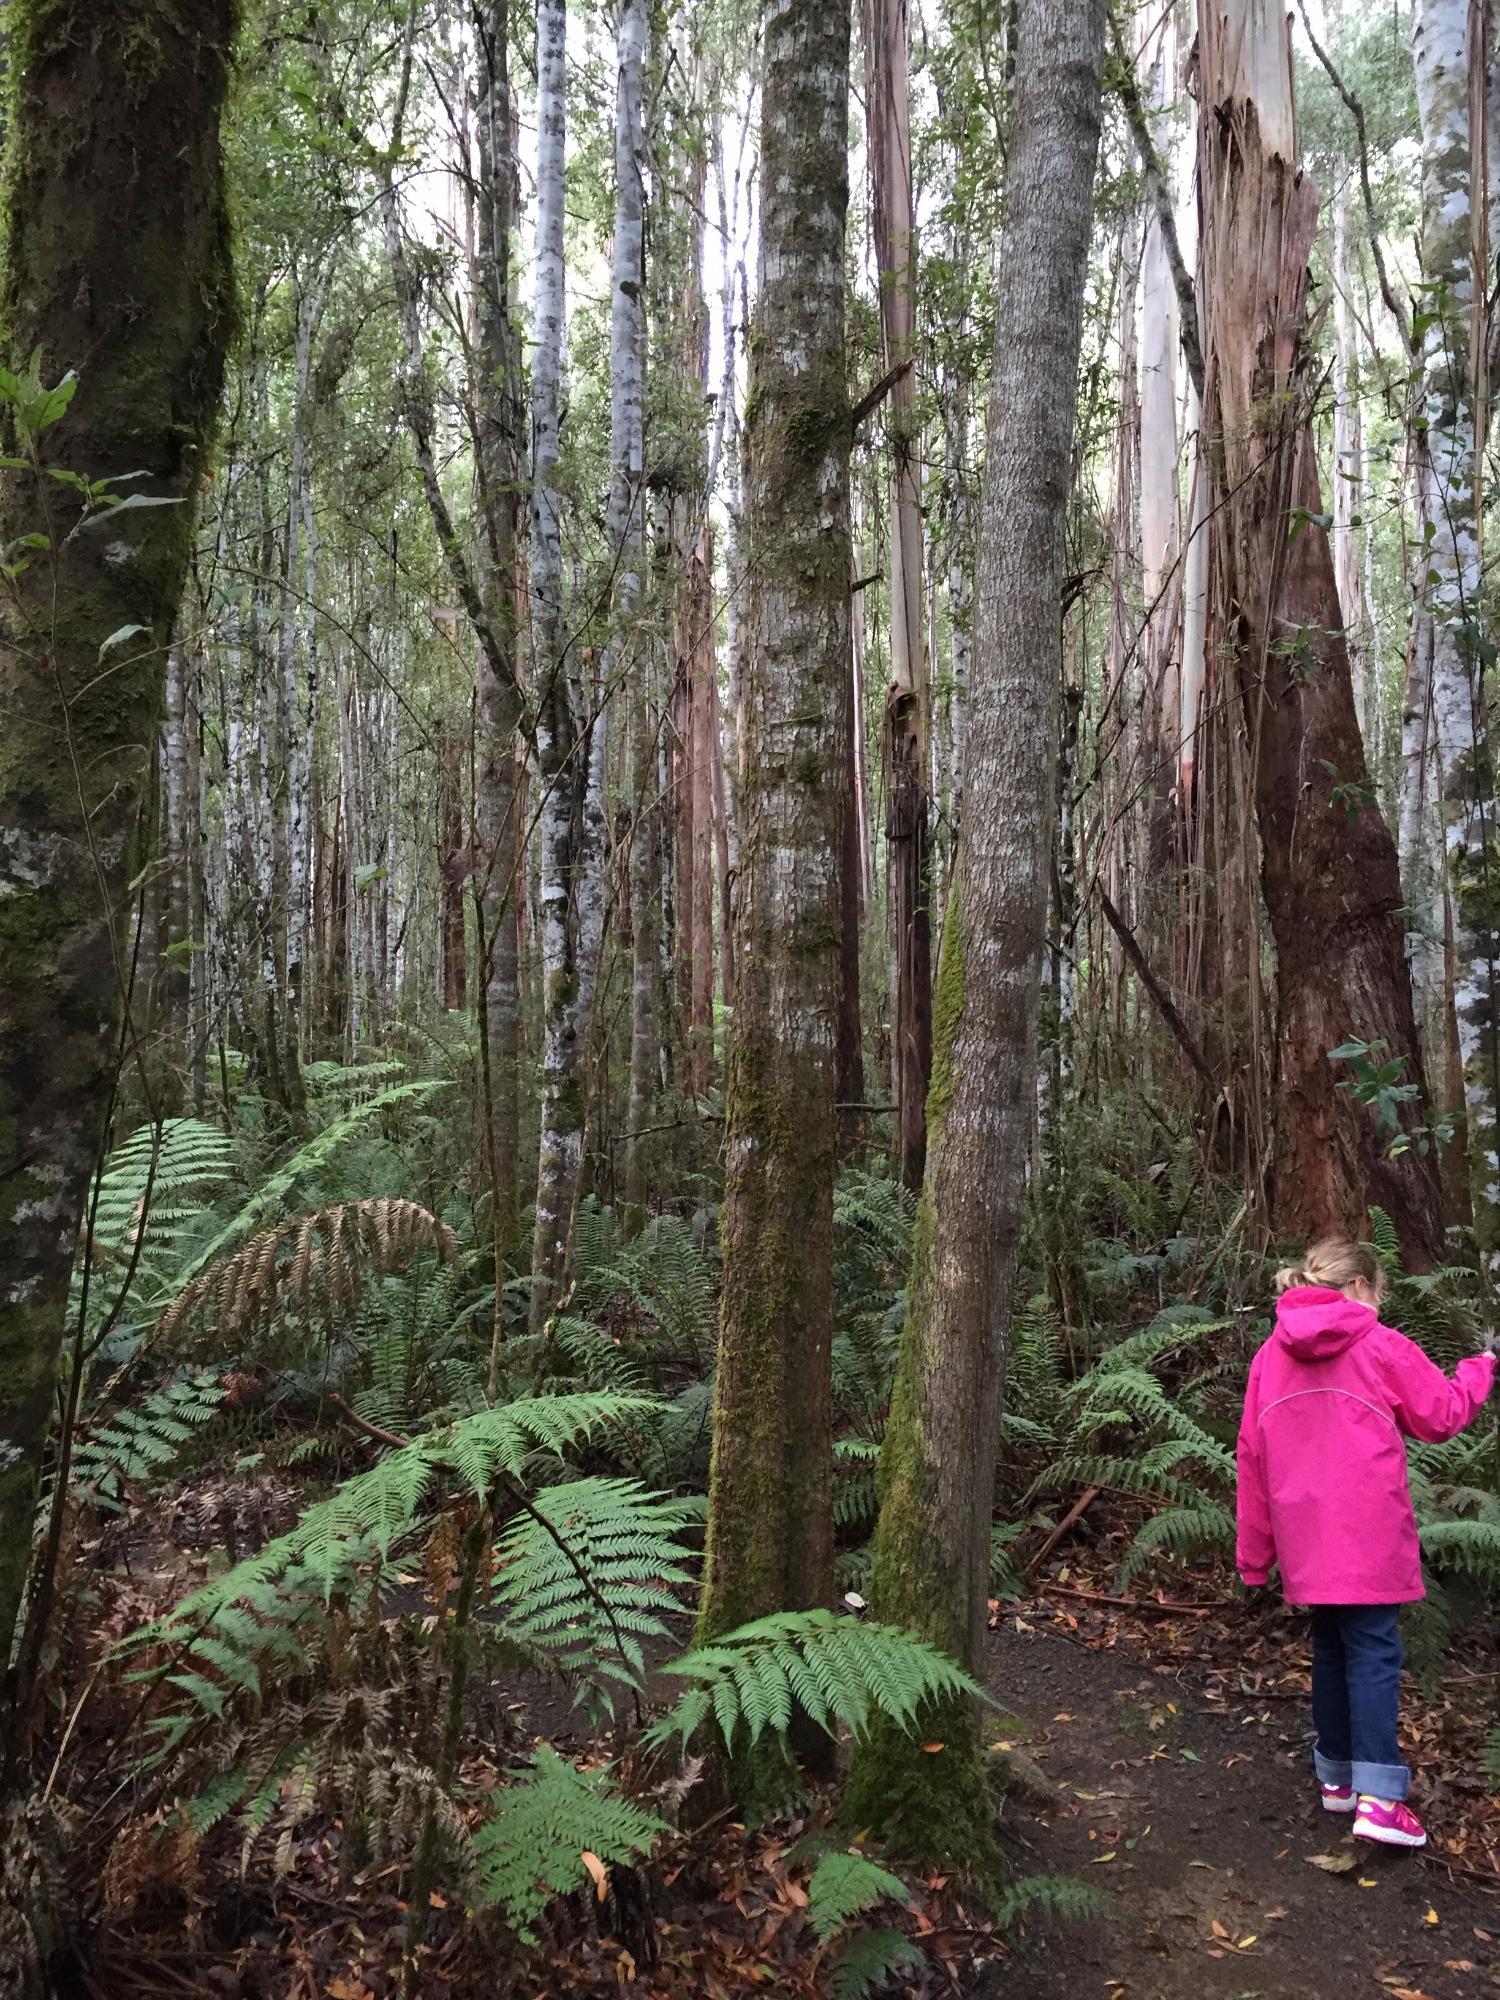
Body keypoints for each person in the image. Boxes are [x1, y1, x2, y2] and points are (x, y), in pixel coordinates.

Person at [1236, 1237, 1496, 1850]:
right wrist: (1482, 1367)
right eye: (1380, 1292)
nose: (1380, 1304)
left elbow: (1251, 1458)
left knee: (1331, 1645)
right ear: (1359, 1288)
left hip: (1305, 1536)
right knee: (1375, 1651)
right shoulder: (1379, 1345)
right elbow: (1442, 1416)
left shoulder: (1268, 1358)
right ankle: (1380, 1801)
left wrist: (1254, 1556)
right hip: (1369, 1530)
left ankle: (1339, 1778)